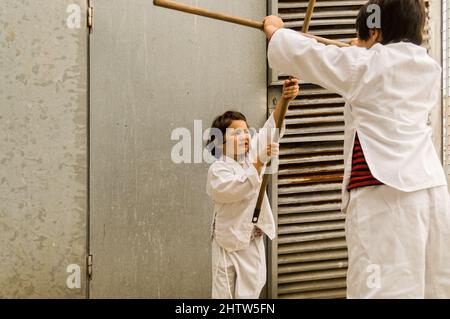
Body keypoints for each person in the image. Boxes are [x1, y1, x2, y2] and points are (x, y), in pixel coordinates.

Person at [263, 0, 450, 298]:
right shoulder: (429, 67)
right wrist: (362, 48)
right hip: (432, 192)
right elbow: (372, 66)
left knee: (378, 288)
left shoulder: (364, 65)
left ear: (375, 32)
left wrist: (277, 33)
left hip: (384, 194)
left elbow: (309, 55)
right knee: (431, 286)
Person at [206, 79, 299, 298]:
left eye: (246, 131)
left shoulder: (252, 153)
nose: (244, 136)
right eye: (236, 134)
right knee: (223, 294)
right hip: (226, 242)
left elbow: (271, 127)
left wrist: (286, 98)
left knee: (251, 293)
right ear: (220, 143)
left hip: (251, 238)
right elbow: (235, 189)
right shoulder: (218, 170)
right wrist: (260, 162)